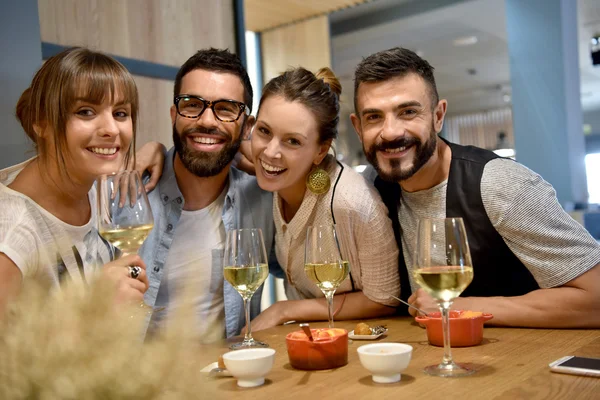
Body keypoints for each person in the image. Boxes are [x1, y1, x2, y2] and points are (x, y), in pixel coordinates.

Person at [350, 47, 600, 328]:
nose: (391, 132)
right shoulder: (371, 187)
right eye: (374, 117)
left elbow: (596, 299)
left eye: (408, 112)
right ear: (358, 127)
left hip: (524, 360)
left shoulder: (500, 185)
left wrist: (459, 307)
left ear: (438, 116)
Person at [245, 67, 400, 331]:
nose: (270, 152)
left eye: (292, 141)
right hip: (308, 341)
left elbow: (385, 299)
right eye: (264, 131)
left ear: (321, 150)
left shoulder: (352, 202)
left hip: (366, 346)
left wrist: (285, 310)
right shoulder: (276, 179)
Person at [137, 48, 275, 341]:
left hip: (233, 378)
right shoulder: (131, 197)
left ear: (246, 125)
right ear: (174, 115)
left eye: (226, 109)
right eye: (192, 105)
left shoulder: (263, 198)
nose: (207, 121)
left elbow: (320, 177)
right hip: (144, 382)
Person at [0, 47, 148, 315]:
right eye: (85, 112)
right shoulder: (11, 232)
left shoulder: (92, 185)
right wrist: (92, 306)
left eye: (120, 113)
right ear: (40, 122)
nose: (111, 129)